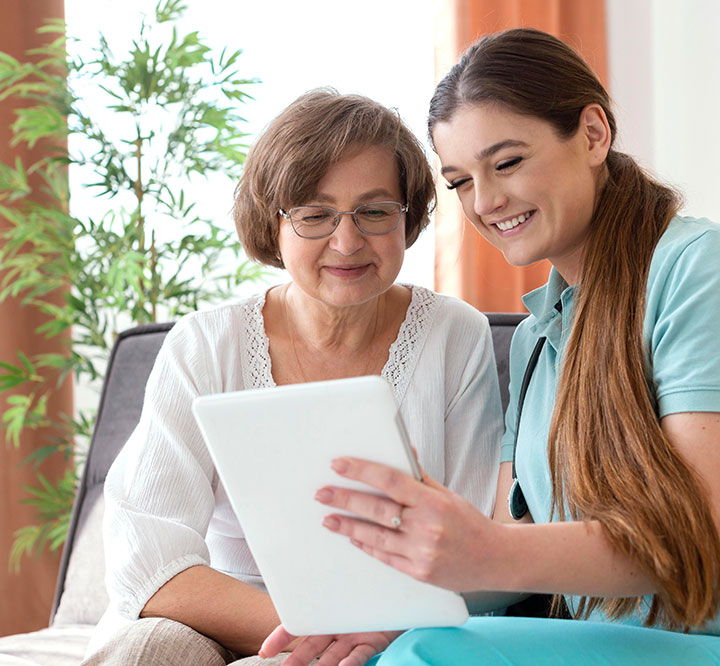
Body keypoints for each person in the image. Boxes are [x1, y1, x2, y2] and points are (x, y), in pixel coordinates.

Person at [262, 29, 720, 666]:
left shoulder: (709, 270)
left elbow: (693, 542)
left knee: (424, 656)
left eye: (507, 162)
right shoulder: (536, 338)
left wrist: (480, 549)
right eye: (461, 181)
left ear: (593, 134)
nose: (486, 201)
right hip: (628, 648)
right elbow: (512, 551)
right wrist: (383, 613)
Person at [82, 89, 504, 666]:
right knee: (149, 651)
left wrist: (353, 633)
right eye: (314, 215)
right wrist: (303, 630)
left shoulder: (455, 335)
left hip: (388, 623)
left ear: (407, 217)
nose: (347, 241)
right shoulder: (205, 344)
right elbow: (147, 560)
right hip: (221, 609)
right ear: (273, 224)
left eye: (375, 211)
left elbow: (473, 540)